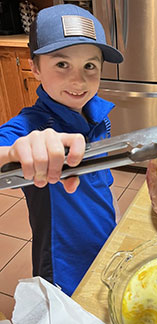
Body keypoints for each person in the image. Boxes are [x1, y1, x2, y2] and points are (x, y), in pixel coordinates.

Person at [0, 4, 123, 296]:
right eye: (61, 64)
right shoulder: (30, 127)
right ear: (35, 67)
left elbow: (100, 179)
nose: (78, 80)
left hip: (104, 234)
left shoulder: (97, 113)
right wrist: (16, 152)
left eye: (89, 66)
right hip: (62, 262)